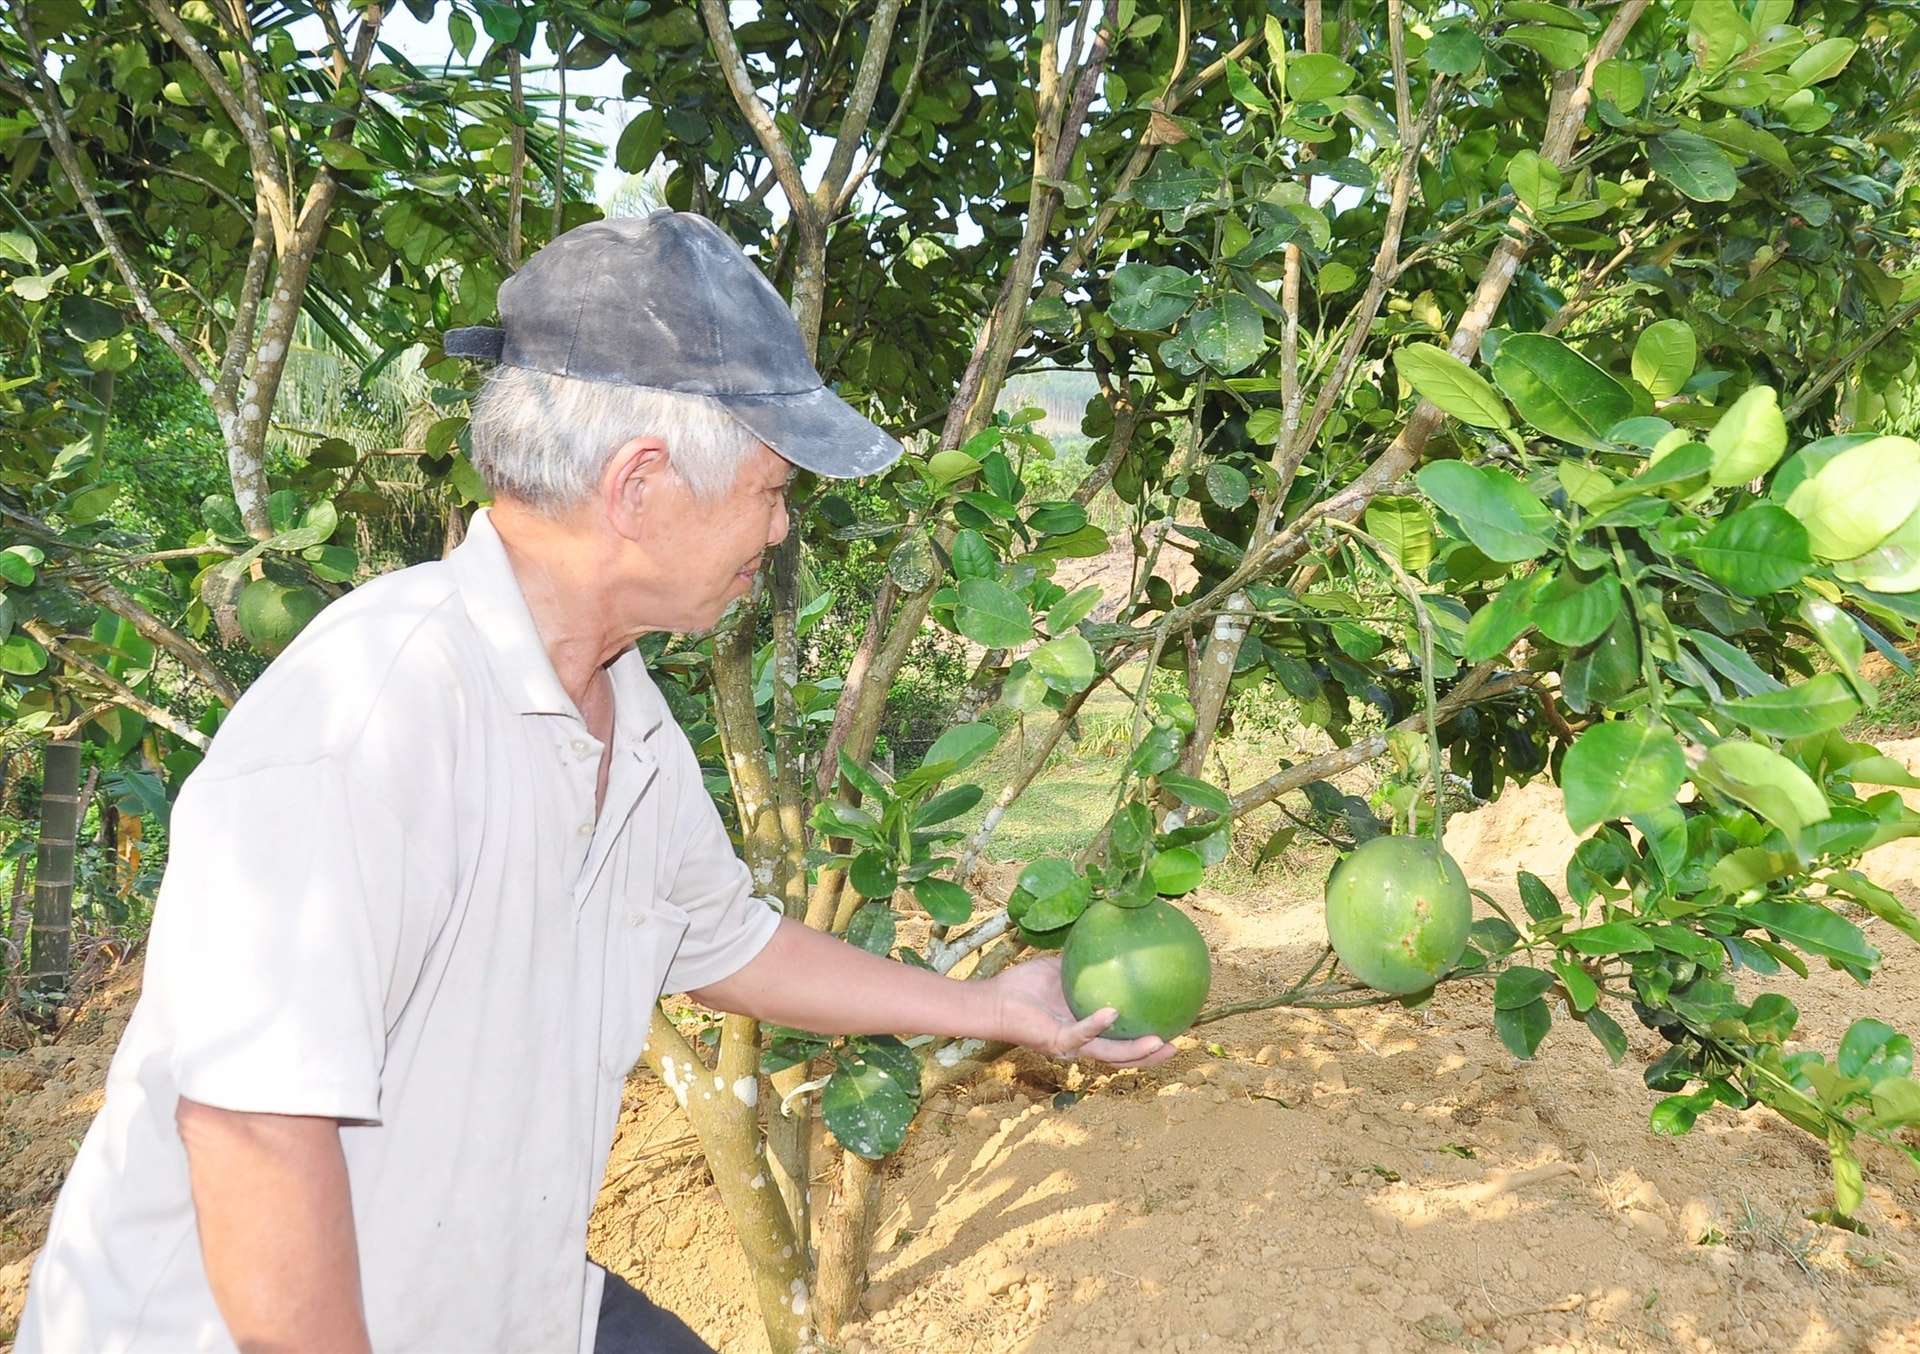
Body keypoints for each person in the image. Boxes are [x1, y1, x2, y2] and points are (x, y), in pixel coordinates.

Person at [16, 210, 1173, 1354]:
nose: (777, 532)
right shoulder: (370, 718)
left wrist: (994, 1007)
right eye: (772, 492)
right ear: (639, 487)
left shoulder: (630, 721)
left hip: (494, 1305)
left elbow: (726, 944)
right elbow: (253, 1135)